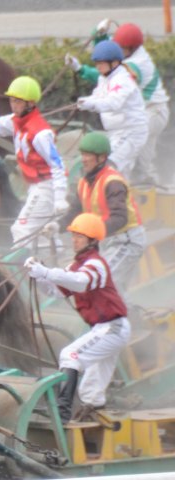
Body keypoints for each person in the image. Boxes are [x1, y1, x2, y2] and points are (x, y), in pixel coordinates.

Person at [25, 212, 131, 423]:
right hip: (105, 329)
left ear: (92, 241)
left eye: (79, 237)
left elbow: (80, 282)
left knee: (70, 355)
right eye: (73, 235)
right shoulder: (77, 265)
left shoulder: (96, 264)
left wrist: (45, 272)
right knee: (91, 391)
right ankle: (93, 416)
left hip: (112, 328)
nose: (74, 240)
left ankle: (62, 414)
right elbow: (56, 291)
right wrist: (38, 275)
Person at [0, 76, 68, 250]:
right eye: (11, 100)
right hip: (36, 186)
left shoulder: (41, 134)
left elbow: (57, 165)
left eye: (17, 101)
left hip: (46, 186)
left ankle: (32, 263)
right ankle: (53, 259)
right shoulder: (15, 121)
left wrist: (60, 197)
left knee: (21, 229)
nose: (13, 105)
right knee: (42, 232)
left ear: (30, 103)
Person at [45, 131, 146, 301]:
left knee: (102, 281)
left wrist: (92, 233)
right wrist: (57, 226)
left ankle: (121, 316)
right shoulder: (83, 183)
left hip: (126, 241)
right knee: (110, 286)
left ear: (101, 158)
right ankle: (128, 314)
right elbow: (75, 211)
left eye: (88, 155)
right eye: (82, 154)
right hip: (106, 241)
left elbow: (120, 218)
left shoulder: (113, 182)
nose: (83, 159)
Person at [66, 23, 169, 185]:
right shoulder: (111, 70)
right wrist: (99, 34)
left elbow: (113, 101)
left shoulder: (131, 71)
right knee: (124, 168)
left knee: (115, 165)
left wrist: (81, 70)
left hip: (151, 113)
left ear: (130, 49)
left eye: (121, 48)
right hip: (125, 126)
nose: (98, 67)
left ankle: (142, 182)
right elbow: (106, 56)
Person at [70, 40, 149, 184]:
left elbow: (113, 103)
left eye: (101, 63)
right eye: (96, 63)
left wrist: (90, 104)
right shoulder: (104, 78)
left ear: (114, 63)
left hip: (131, 132)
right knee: (118, 172)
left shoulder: (123, 80)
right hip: (116, 133)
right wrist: (83, 102)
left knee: (108, 166)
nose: (98, 67)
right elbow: (97, 97)